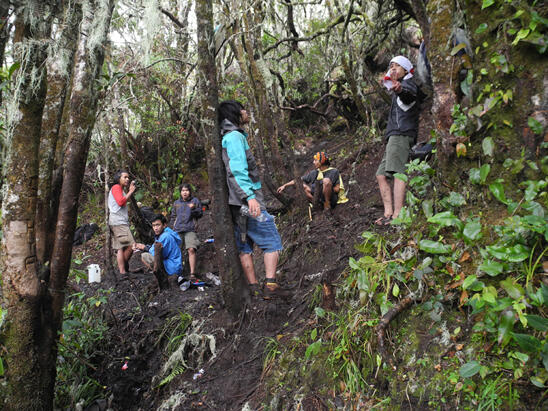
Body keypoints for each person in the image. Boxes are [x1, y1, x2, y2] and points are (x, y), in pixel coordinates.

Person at [218, 100, 286, 299]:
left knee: (244, 245)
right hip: (248, 203)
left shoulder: (227, 137)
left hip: (236, 205)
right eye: (243, 109)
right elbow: (237, 170)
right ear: (235, 113)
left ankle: (254, 287)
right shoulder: (235, 137)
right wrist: (249, 197)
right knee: (272, 240)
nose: (246, 112)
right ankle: (271, 285)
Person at [375, 55, 421, 225]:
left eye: (397, 66)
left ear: (406, 69)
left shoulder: (408, 85)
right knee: (381, 175)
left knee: (398, 172)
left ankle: (397, 215)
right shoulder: (397, 88)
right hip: (394, 134)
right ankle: (388, 213)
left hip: (402, 133)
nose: (393, 69)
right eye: (391, 66)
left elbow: (409, 97)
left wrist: (399, 89)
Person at [277, 151, 348, 210]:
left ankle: (327, 204)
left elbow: (338, 188)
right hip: (317, 198)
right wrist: (284, 185)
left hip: (330, 199)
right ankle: (317, 204)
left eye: (316, 160)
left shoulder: (334, 171)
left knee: (326, 180)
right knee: (302, 186)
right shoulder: (314, 173)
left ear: (322, 161)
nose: (313, 162)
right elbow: (298, 180)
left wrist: (326, 188)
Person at [133, 213, 184, 282]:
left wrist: (144, 247)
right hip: (175, 265)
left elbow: (157, 254)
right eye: (153, 225)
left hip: (172, 268)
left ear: (164, 225)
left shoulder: (165, 236)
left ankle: (163, 276)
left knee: (144, 256)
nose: (155, 228)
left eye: (158, 225)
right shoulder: (167, 233)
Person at [170, 183, 203, 279]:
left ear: (190, 192)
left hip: (190, 229)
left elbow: (200, 214)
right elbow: (173, 216)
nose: (185, 192)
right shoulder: (176, 203)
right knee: (177, 251)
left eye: (187, 190)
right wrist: (172, 228)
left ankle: (192, 273)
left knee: (191, 249)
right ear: (180, 192)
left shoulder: (195, 201)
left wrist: (193, 209)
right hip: (178, 229)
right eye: (183, 190)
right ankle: (177, 273)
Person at [108, 170, 136, 274]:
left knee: (120, 248)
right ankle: (123, 269)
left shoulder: (120, 189)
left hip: (115, 222)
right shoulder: (116, 187)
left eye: (128, 177)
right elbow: (120, 202)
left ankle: (122, 271)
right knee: (131, 246)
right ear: (118, 178)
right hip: (118, 222)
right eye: (125, 177)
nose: (127, 179)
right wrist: (131, 191)